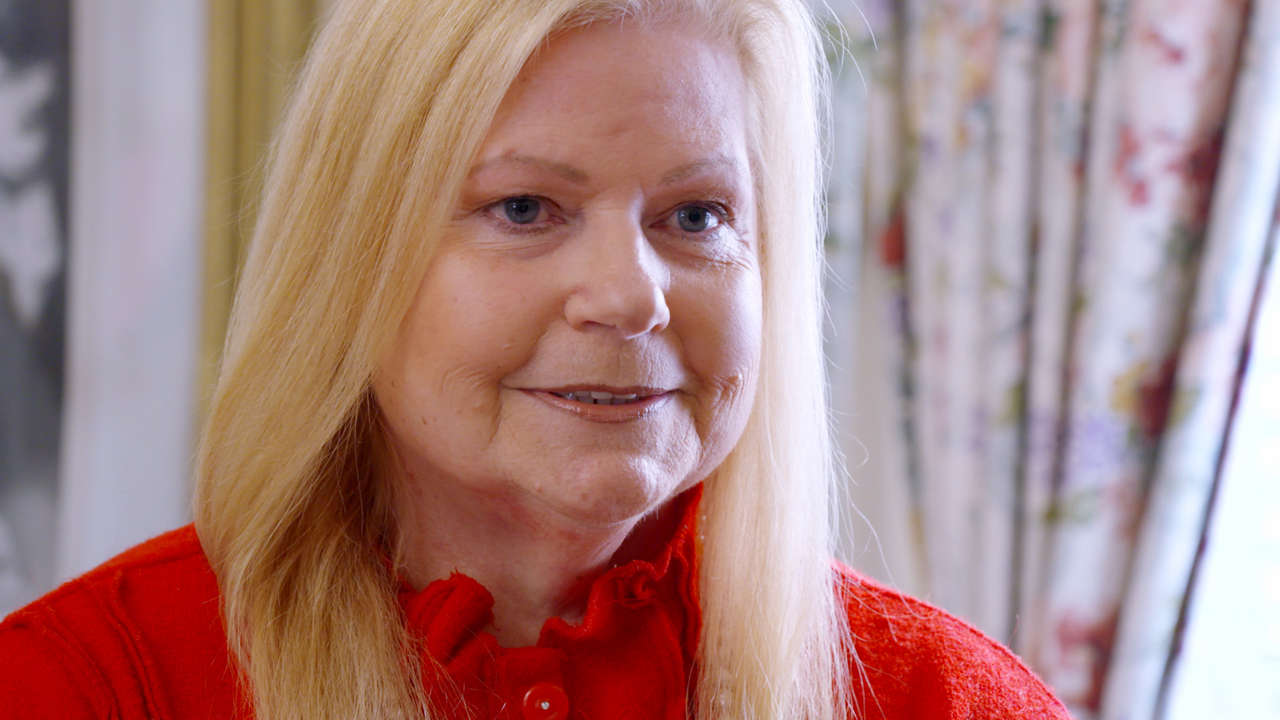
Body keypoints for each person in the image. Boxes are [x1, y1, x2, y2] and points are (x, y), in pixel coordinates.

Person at [0, 1, 1071, 718]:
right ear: (347, 258)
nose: (631, 296)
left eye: (697, 215)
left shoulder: (942, 700)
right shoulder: (82, 686)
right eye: (524, 208)